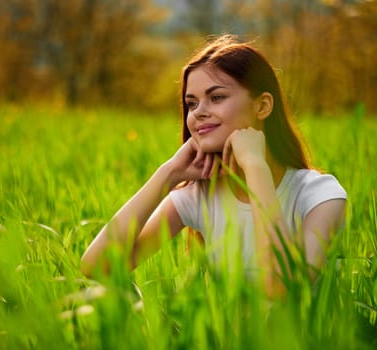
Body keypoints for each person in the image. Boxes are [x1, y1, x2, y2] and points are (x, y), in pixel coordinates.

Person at [81, 35, 347, 297]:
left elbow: (278, 285)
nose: (198, 113)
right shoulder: (200, 197)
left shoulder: (320, 195)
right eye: (191, 103)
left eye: (216, 97)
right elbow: (98, 267)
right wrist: (168, 173)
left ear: (263, 105)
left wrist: (255, 166)